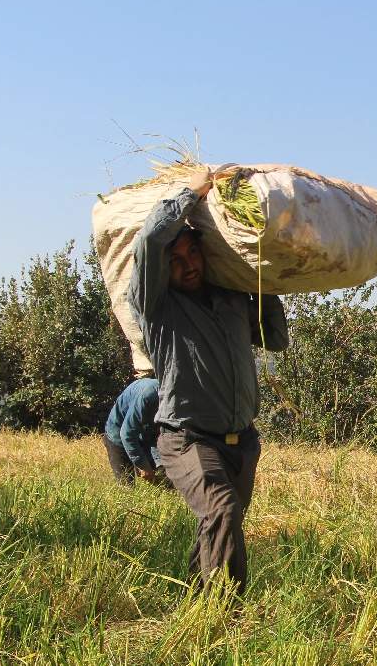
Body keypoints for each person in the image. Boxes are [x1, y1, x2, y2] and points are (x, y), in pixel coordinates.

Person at [129, 168, 289, 592]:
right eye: (176, 261)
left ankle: (195, 603)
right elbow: (149, 242)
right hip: (189, 439)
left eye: (193, 254)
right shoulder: (157, 307)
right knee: (222, 512)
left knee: (218, 524)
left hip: (242, 442)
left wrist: (260, 278)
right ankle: (226, 616)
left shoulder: (229, 299)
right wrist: (192, 192)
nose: (188, 266)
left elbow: (275, 338)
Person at [103, 378, 166, 486]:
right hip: (118, 435)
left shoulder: (177, 399)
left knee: (163, 477)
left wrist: (159, 463)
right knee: (126, 486)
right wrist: (143, 465)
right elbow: (127, 434)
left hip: (146, 434)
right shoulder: (148, 395)